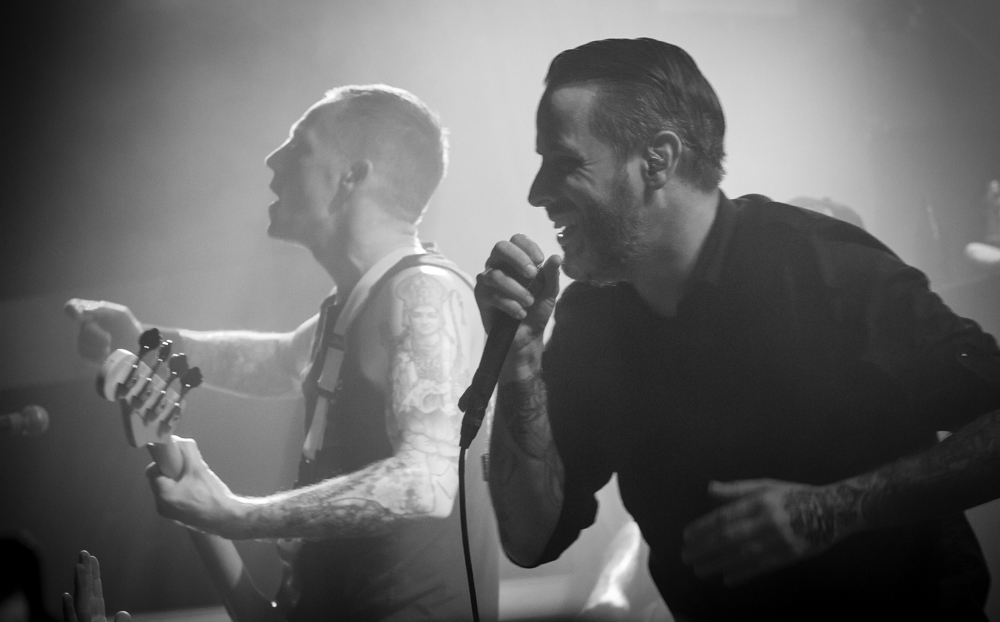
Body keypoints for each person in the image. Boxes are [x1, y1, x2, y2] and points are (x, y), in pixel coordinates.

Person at [475, 38, 1000, 621]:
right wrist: (520, 360)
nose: (537, 192)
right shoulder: (592, 318)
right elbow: (530, 540)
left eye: (565, 162)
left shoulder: (826, 269)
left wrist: (837, 508)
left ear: (657, 161)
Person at [66, 85, 498, 621]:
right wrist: (142, 338)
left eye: (300, 145)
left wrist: (239, 516)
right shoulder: (352, 307)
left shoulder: (423, 293)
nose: (273, 161)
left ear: (352, 175)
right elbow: (276, 362)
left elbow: (426, 482)